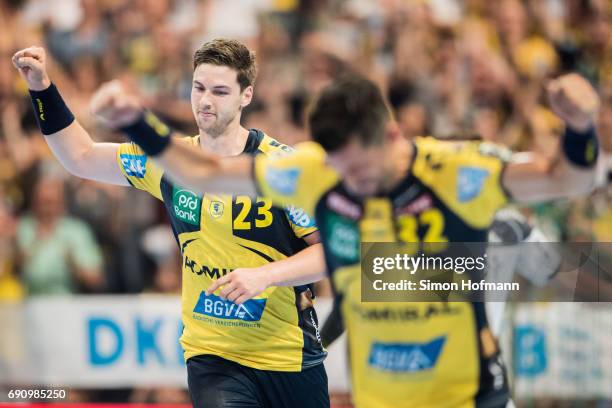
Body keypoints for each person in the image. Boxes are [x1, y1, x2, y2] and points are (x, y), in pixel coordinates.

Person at [20, 46, 600, 404]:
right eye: (341, 170)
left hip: (452, 392)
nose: (355, 183)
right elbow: (205, 173)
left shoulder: (459, 169)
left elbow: (568, 179)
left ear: (393, 137)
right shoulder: (313, 172)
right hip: (366, 392)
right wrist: (137, 124)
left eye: (364, 169)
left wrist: (580, 127)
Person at [12, 40, 330, 408]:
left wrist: (264, 276)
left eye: (220, 91)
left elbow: (331, 251)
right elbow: (80, 157)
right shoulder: (169, 161)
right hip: (213, 356)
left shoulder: (279, 168)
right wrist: (41, 88)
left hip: (289, 356)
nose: (205, 101)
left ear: (247, 95)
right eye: (198, 88)